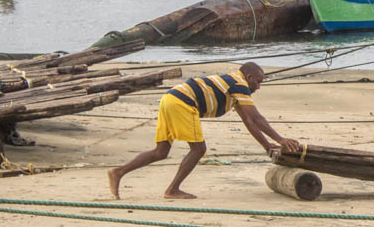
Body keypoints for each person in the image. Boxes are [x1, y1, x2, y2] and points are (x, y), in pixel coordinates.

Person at [107, 62, 300, 200]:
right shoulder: (239, 84)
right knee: (198, 149)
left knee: (160, 152)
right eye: (258, 82)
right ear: (249, 77)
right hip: (183, 102)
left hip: (170, 99)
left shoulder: (235, 84)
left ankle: (118, 172)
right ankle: (172, 190)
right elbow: (257, 118)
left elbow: (248, 120)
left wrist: (267, 146)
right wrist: (281, 139)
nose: (258, 87)